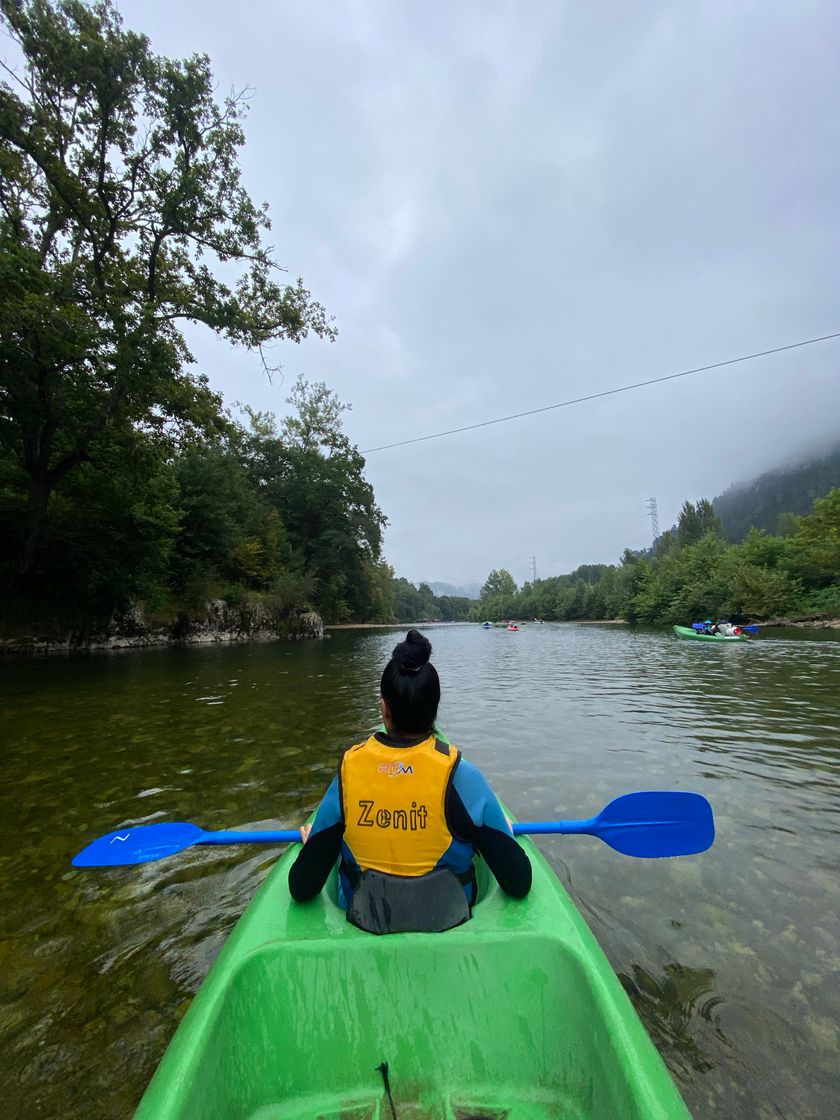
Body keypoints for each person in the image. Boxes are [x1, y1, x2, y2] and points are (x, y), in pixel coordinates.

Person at [289, 629, 532, 933]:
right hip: (448, 928)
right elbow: (519, 882)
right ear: (434, 709)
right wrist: (502, 834)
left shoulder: (349, 770)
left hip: (365, 929)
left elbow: (301, 887)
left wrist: (316, 842)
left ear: (384, 710)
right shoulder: (463, 776)